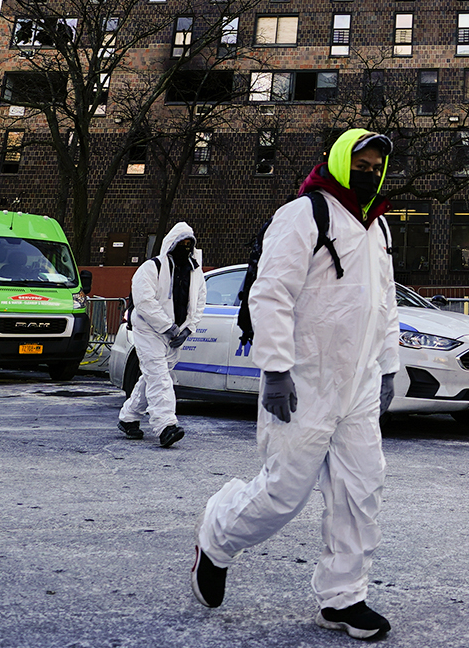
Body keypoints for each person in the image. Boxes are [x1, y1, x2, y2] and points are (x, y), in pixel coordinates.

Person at [193, 129, 401, 642]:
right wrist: (276, 369)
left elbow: (385, 305)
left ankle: (343, 597)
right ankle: (216, 535)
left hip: (357, 386)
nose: (371, 171)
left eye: (378, 164)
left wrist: (389, 366)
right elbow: (270, 295)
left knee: (361, 491)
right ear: (337, 161)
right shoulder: (306, 214)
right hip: (305, 382)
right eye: (362, 162)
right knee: (283, 494)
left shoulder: (379, 230)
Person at [120, 222, 204, 448]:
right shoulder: (151, 268)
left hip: (174, 333)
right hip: (148, 330)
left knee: (152, 376)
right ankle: (166, 426)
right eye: (182, 243)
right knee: (159, 376)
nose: (186, 247)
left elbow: (199, 302)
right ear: (172, 243)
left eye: (190, 244)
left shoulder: (195, 271)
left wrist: (187, 329)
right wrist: (167, 326)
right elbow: (144, 302)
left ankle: (128, 417)